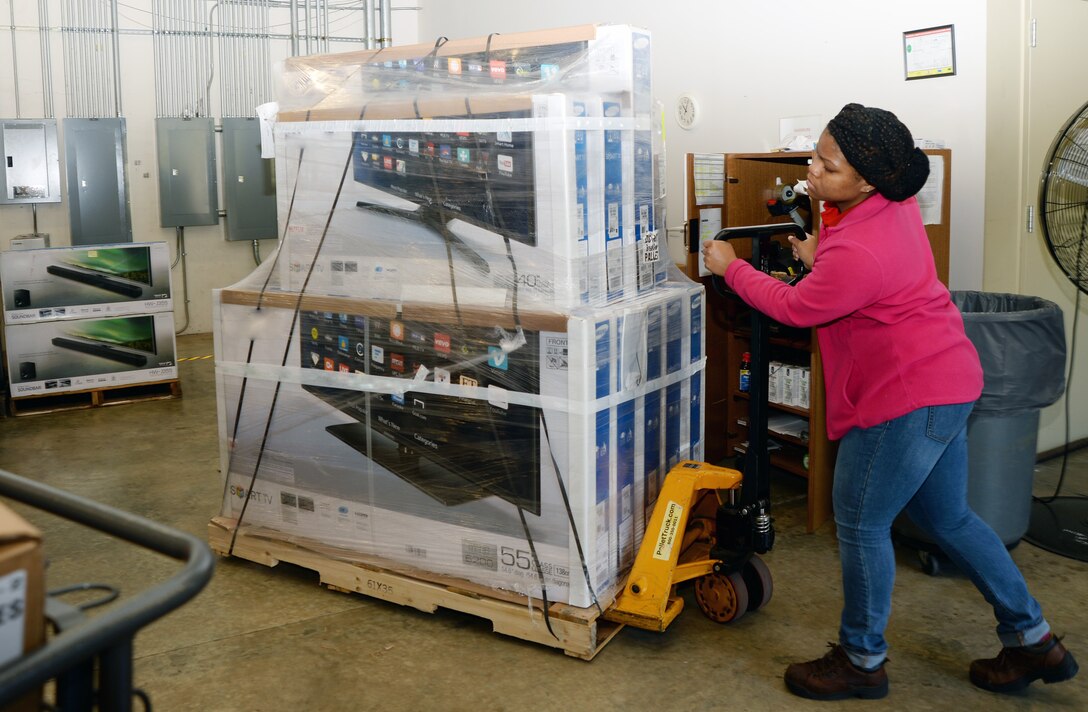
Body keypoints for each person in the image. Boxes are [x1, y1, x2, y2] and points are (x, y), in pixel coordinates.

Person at [701, 103, 1079, 701]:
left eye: (827, 165)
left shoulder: (860, 250)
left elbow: (801, 309)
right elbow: (849, 263)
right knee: (949, 517)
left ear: (867, 178)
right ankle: (1034, 639)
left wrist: (731, 269)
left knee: (860, 524)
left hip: (906, 400)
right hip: (948, 380)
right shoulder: (891, 205)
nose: (811, 169)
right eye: (815, 154)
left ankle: (862, 659)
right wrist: (815, 255)